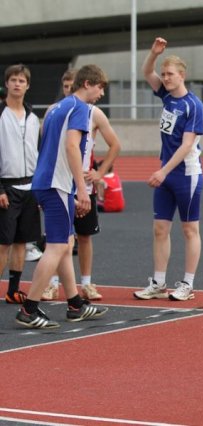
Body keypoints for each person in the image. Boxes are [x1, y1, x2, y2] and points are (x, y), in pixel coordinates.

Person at [16, 64, 109, 328]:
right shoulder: (80, 108)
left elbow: (48, 143)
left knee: (66, 244)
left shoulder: (57, 107)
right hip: (57, 184)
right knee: (57, 246)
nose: (101, 94)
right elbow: (71, 146)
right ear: (87, 83)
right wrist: (81, 188)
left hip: (48, 181)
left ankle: (75, 304)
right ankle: (29, 309)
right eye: (100, 87)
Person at [134, 37, 203, 302]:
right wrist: (153, 53)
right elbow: (146, 72)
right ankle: (158, 283)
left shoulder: (193, 105)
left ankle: (187, 284)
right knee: (160, 229)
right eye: (163, 74)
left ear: (182, 76)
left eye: (170, 74)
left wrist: (163, 171)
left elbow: (187, 145)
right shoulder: (166, 96)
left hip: (186, 175)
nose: (165, 78)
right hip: (166, 174)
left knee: (189, 230)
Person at [41, 69, 122, 302]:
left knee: (84, 236)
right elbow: (47, 146)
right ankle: (52, 285)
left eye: (71, 85)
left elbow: (115, 145)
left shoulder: (94, 113)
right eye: (66, 86)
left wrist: (100, 173)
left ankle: (85, 284)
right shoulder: (54, 110)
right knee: (59, 239)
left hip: (83, 184)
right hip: (60, 182)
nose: (69, 90)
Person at [0, 64, 42, 304]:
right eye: (13, 80)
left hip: (30, 188)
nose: (17, 84)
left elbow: (38, 153)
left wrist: (40, 188)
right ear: (6, 83)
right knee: (3, 243)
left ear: (28, 86)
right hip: (7, 187)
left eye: (21, 81)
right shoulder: (0, 114)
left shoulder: (33, 118)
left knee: (21, 242)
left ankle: (13, 290)